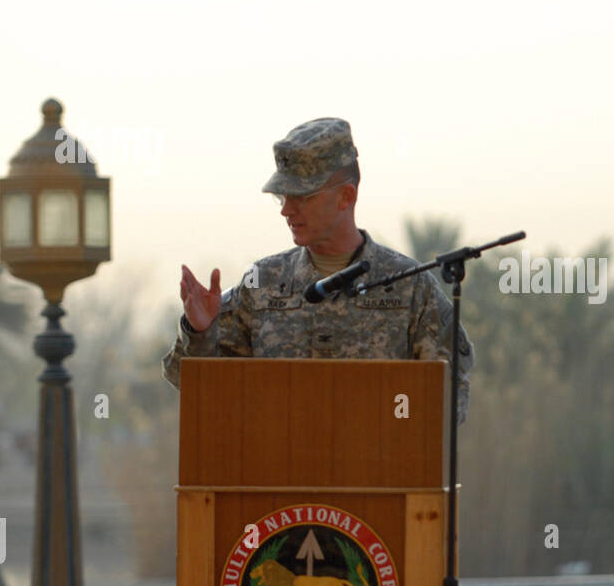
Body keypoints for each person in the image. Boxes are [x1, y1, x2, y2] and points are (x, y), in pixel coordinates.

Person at [161, 117, 472, 421]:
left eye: (302, 197)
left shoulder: (411, 287)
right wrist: (200, 332)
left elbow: (447, 404)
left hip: (375, 467)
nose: (285, 210)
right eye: (283, 197)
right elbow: (196, 386)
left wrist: (375, 423)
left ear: (345, 197)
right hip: (276, 468)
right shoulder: (261, 285)